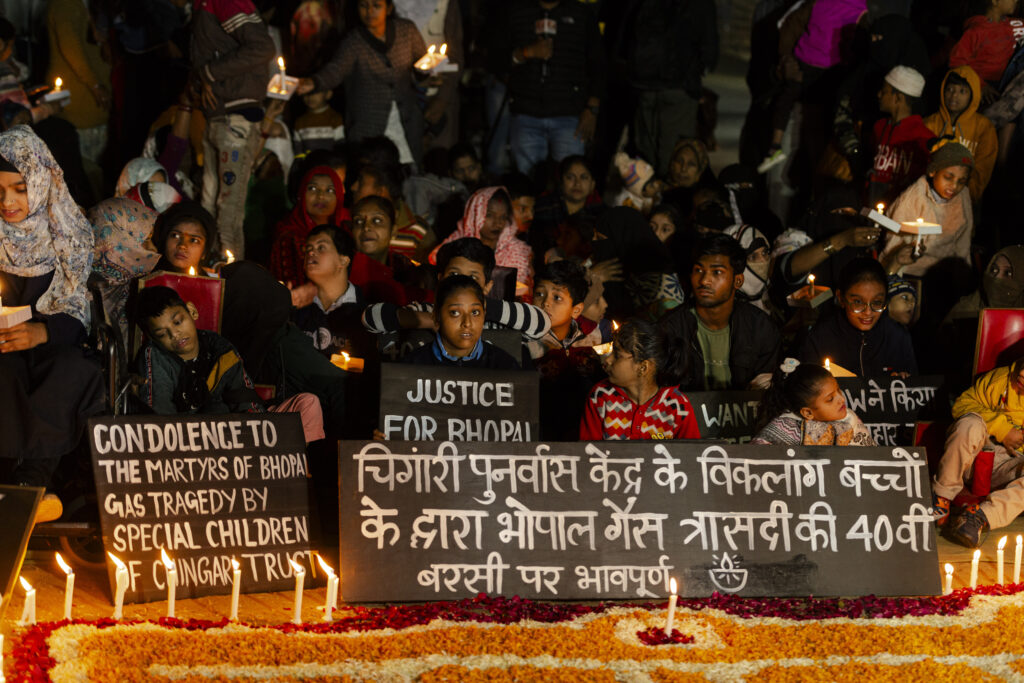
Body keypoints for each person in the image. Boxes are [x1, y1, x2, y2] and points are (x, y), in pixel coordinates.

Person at [0, 126, 105, 520]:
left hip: (54, 345)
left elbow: (78, 306)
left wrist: (42, 331)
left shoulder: (69, 233)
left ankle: (32, 483)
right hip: (4, 348)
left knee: (72, 370)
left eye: (20, 188)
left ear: (42, 182)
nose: (8, 201)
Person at [132, 286, 326, 443]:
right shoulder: (155, 356)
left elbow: (243, 395)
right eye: (162, 334)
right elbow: (160, 418)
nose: (174, 335)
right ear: (153, 339)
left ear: (191, 311)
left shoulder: (219, 347)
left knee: (308, 403)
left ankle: (288, 467)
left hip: (234, 432)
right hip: (190, 440)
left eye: (177, 322)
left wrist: (256, 430)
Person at [297, 0, 428, 167]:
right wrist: (315, 82)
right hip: (369, 126)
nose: (369, 11)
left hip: (406, 122)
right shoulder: (354, 42)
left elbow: (423, 63)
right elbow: (336, 69)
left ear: (388, 8)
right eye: (364, 6)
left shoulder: (406, 31)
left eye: (376, 6)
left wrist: (427, 71)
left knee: (410, 173)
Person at [190, 0, 275, 259]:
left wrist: (209, 73)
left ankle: (230, 280)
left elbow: (263, 47)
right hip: (218, 113)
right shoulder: (202, 5)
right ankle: (209, 275)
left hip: (236, 115)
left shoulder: (224, 1)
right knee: (210, 202)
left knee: (228, 208)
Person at [362, 237, 550, 342]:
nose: (462, 283)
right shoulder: (426, 310)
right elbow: (370, 319)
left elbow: (541, 324)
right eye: (454, 275)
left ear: (487, 286)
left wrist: (478, 307)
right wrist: (432, 320)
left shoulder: (498, 321)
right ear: (440, 280)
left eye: (473, 278)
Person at [659, 233, 781, 391]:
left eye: (717, 272)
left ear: (737, 281)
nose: (704, 280)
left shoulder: (761, 328)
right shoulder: (670, 329)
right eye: (698, 270)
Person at [756, 0, 868, 173]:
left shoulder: (820, 3)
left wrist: (786, 57)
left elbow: (791, 24)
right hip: (826, 69)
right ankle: (794, 158)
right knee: (813, 123)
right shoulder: (859, 10)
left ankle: (775, 147)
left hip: (809, 64)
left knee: (788, 103)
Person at [498, 0, 605, 176]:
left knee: (571, 180)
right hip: (526, 112)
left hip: (570, 115)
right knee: (528, 181)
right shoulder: (516, 12)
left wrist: (592, 108)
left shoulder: (581, 14)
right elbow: (496, 59)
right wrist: (526, 53)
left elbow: (598, 64)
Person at [934, 356, 1024, 548]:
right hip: (976, 458)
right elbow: (961, 405)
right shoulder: (1002, 379)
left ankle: (979, 516)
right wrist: (1002, 430)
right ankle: (942, 498)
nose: (1022, 373)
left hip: (1011, 470)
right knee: (970, 424)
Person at [625, 0, 718, 176]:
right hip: (680, 86)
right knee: (675, 156)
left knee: (645, 153)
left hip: (644, 84)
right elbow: (710, 49)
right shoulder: (700, 5)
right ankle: (668, 200)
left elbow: (627, 35)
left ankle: (647, 197)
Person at [580, 319, 700, 441]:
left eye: (617, 355)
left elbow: (691, 455)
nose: (607, 360)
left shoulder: (677, 407)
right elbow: (588, 452)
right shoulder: (600, 397)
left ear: (643, 367)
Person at [798, 257, 918, 377]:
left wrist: (905, 381)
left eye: (877, 302)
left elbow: (914, 383)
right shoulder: (820, 338)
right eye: (858, 302)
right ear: (841, 298)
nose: (868, 312)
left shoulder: (897, 336)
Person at [881, 142, 974, 278]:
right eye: (948, 177)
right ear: (933, 171)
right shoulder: (913, 198)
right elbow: (893, 243)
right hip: (911, 272)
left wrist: (964, 274)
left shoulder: (963, 195)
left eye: (961, 181)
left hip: (946, 274)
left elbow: (963, 244)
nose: (954, 186)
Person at [402, 274, 520, 368]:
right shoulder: (413, 365)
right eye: (455, 313)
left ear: (484, 314)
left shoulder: (505, 366)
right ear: (436, 316)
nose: (467, 323)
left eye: (475, 312)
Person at [434, 186, 535, 294]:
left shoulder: (516, 251)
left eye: (503, 217)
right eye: (490, 215)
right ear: (475, 213)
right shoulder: (454, 244)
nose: (498, 223)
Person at [752, 359, 875, 446]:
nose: (841, 399)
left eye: (838, 390)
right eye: (830, 399)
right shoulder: (785, 428)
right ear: (808, 413)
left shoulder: (850, 418)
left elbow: (871, 459)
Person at [89, 196, 162, 342]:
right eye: (142, 242)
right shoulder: (72, 289)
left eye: (152, 241)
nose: (152, 251)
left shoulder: (148, 288)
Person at [291, 224, 370, 359]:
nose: (310, 253)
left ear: (343, 260)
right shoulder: (296, 306)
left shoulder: (366, 310)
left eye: (321, 247)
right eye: (308, 248)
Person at [923, 66, 997, 202]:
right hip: (928, 198)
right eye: (950, 89)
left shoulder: (984, 128)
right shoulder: (929, 124)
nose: (954, 95)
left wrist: (967, 196)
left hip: (966, 200)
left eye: (962, 91)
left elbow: (983, 169)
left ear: (973, 95)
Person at [270, 165, 348, 287]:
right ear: (301, 194)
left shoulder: (347, 231)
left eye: (330, 190)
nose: (321, 196)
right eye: (312, 188)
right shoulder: (288, 237)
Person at [868, 65, 934, 204]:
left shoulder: (924, 137)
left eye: (884, 91)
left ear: (898, 98)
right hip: (872, 203)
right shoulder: (879, 127)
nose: (879, 94)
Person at [948, 0, 1023, 89]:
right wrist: (980, 85)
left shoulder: (1015, 24)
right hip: (985, 87)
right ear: (995, 1)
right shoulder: (976, 31)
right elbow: (956, 63)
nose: (1016, 0)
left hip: (1009, 83)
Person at [153, 200, 222, 274]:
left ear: (204, 252)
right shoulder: (145, 280)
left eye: (194, 240)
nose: (182, 246)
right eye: (175, 235)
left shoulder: (212, 284)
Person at [292, 88, 345, 155]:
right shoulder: (300, 122)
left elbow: (340, 147)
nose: (310, 96)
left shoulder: (336, 118)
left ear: (328, 94)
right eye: (306, 93)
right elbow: (298, 150)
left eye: (315, 92)